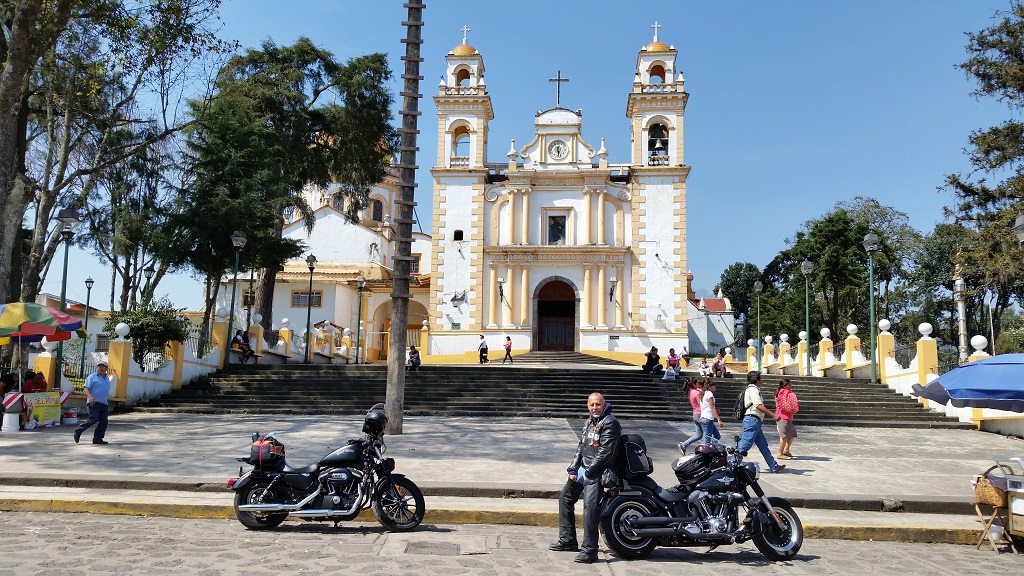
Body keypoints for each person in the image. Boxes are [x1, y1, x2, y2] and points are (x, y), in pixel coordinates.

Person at [551, 392, 621, 564]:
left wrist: (589, 471)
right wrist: (574, 467)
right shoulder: (590, 421)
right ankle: (567, 540)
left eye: (598, 404)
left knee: (590, 509)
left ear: (604, 405)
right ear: (588, 406)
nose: (595, 408)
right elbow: (582, 446)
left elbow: (606, 451)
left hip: (598, 472)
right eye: (592, 405)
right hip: (584, 469)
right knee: (565, 498)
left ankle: (590, 551)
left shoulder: (610, 422)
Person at [739, 371, 785, 473]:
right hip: (752, 419)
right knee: (745, 444)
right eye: (761, 379)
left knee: (763, 445)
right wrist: (773, 415)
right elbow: (758, 405)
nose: (762, 381)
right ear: (756, 380)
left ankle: (773, 465)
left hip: (755, 421)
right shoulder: (753, 390)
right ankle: (733, 463)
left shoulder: (751, 390)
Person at [74, 361, 111, 445]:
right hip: (94, 402)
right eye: (99, 366)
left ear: (106, 368)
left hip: (104, 403)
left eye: (103, 366)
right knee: (94, 418)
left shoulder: (107, 378)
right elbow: (86, 388)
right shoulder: (92, 377)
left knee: (104, 421)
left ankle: (98, 438)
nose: (101, 368)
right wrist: (90, 397)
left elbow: (105, 391)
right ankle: (78, 430)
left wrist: (106, 402)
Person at [678, 378, 705, 455]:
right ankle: (704, 451)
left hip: (695, 414)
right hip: (701, 414)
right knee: (707, 434)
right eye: (697, 383)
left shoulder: (690, 392)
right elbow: (701, 404)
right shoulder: (696, 393)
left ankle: (684, 444)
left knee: (698, 435)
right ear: (694, 384)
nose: (698, 385)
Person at [775, 378, 799, 460]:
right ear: (784, 386)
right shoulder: (782, 393)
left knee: (792, 434)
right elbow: (784, 404)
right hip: (782, 417)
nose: (790, 386)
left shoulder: (787, 393)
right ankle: (780, 453)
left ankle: (786, 450)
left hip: (788, 417)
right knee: (784, 436)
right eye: (789, 385)